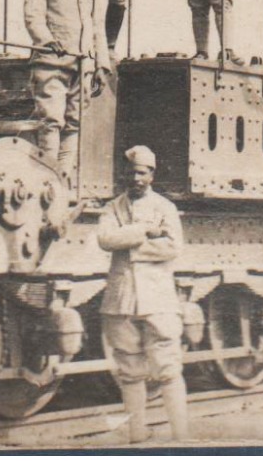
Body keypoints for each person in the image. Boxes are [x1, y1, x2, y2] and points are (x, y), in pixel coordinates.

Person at [98, 145, 189, 444]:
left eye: (142, 172)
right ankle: (137, 436)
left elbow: (173, 247)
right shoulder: (113, 208)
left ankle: (182, 437)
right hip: (122, 301)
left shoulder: (165, 208)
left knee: (168, 370)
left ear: (152, 174)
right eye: (131, 171)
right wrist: (144, 231)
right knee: (130, 372)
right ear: (123, 173)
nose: (135, 177)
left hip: (158, 302)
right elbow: (106, 239)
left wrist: (132, 243)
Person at [24, 0, 112, 186]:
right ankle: (48, 181)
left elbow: (98, 25)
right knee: (51, 121)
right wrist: (47, 40)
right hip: (52, 63)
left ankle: (62, 182)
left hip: (83, 65)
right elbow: (33, 15)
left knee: (75, 123)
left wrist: (101, 65)